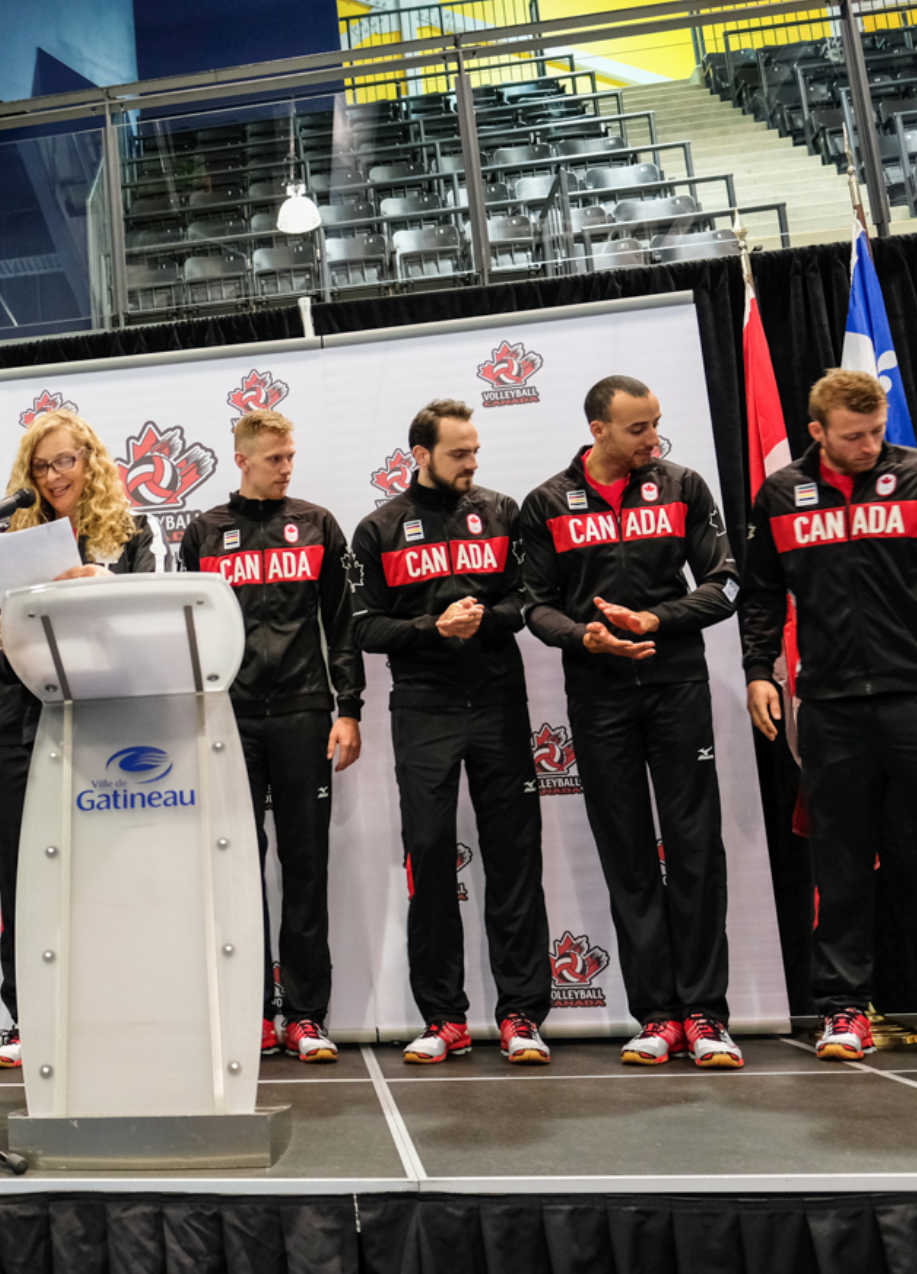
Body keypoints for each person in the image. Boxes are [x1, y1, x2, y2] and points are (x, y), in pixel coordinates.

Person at [741, 369, 917, 1060]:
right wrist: (759, 671)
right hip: (830, 706)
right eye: (854, 436)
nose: (870, 444)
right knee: (840, 859)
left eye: (877, 430)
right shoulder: (782, 493)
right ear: (817, 431)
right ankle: (844, 1010)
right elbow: (760, 592)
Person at [516, 375, 745, 1070]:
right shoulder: (548, 502)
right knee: (628, 858)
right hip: (599, 698)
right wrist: (586, 637)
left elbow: (727, 582)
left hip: (676, 687)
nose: (654, 439)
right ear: (599, 430)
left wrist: (656, 619)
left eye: (656, 425)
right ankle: (657, 1016)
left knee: (695, 849)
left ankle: (706, 1016)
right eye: (639, 428)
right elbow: (532, 604)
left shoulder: (683, 486)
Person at [351, 401, 552, 1066]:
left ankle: (522, 1015)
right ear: (421, 455)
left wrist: (485, 621)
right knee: (430, 854)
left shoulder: (501, 510)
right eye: (459, 453)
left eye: (475, 451)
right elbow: (364, 627)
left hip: (497, 698)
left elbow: (528, 601)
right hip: (423, 705)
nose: (473, 463)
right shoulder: (377, 528)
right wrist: (429, 629)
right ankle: (445, 1018)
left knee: (514, 856)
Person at [0, 408, 157, 1068]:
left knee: (105, 879)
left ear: (90, 461)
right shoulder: (4, 551)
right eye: (41, 467)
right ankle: (25, 1018)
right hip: (22, 730)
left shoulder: (129, 535)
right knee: (25, 882)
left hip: (102, 730)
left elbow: (151, 615)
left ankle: (112, 1008)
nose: (53, 476)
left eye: (65, 461)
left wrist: (107, 583)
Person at [175, 409, 362, 1063]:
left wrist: (351, 707)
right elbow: (188, 638)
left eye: (290, 455)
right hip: (229, 720)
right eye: (276, 457)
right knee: (237, 867)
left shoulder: (316, 524)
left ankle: (306, 1016)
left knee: (306, 867)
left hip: (306, 712)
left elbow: (342, 625)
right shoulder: (203, 533)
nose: (288, 466)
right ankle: (252, 1010)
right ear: (243, 461)